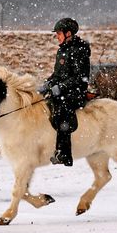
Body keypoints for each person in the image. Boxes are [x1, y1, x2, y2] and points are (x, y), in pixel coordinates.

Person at [38, 18, 91, 167]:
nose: (57, 37)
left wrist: (60, 87)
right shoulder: (62, 50)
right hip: (63, 89)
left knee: (62, 110)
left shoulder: (79, 50)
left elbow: (79, 78)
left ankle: (64, 154)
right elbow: (57, 75)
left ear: (68, 34)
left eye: (59, 34)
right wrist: (48, 83)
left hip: (75, 92)